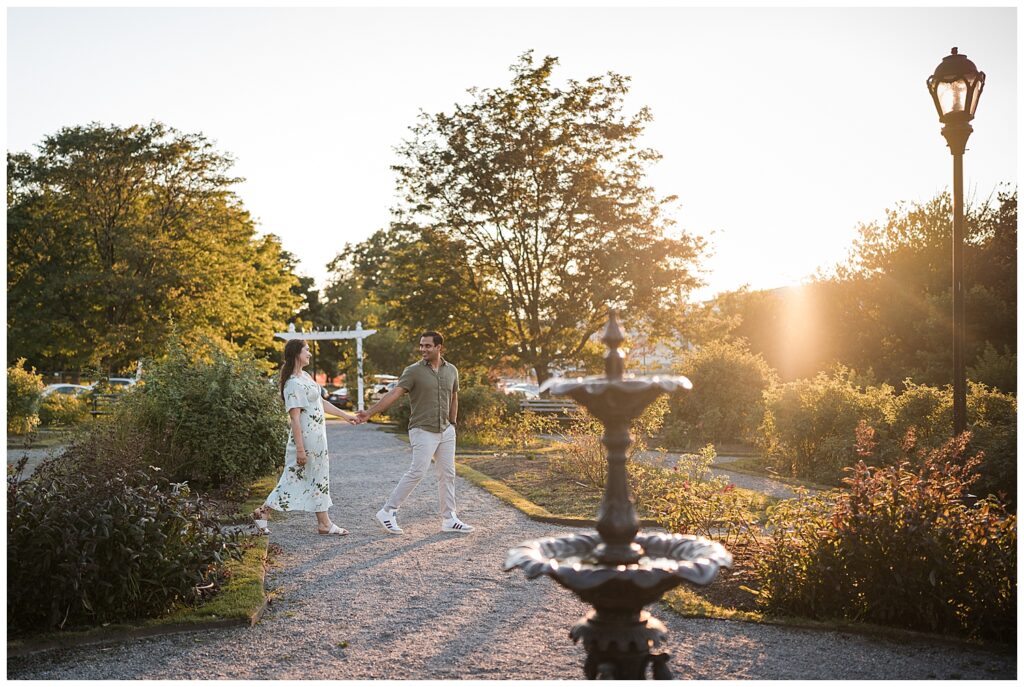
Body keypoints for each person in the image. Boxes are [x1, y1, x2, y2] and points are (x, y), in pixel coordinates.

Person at [356, 331, 474, 535]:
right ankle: (388, 511)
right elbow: (394, 393)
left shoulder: (451, 370)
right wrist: (369, 412)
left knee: (447, 474)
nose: (423, 349)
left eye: (428, 346)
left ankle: (449, 518)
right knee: (418, 471)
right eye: (421, 345)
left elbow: (454, 397)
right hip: (422, 429)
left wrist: (453, 423)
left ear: (439, 347)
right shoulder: (413, 371)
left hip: (446, 430)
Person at [252, 338, 358, 536]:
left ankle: (324, 524)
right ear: (296, 354)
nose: (309, 354)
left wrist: (345, 416)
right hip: (305, 442)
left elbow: (320, 403)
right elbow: (294, 419)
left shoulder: (306, 377)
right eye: (306, 350)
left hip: (318, 440)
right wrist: (300, 449)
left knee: (319, 479)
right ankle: (262, 512)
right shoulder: (292, 384)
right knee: (292, 478)